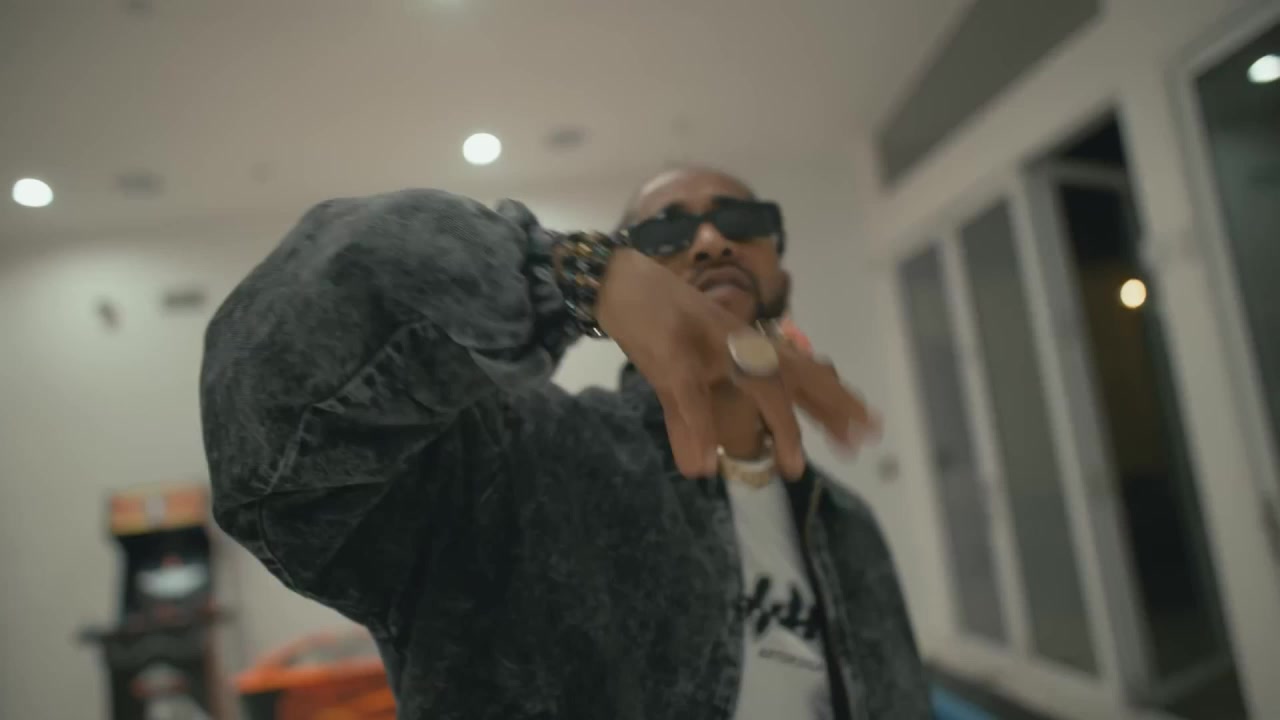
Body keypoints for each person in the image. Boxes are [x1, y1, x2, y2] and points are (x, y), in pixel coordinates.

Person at [200, 166, 929, 720]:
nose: (711, 240)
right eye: (666, 232)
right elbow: (269, 417)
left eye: (740, 219)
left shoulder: (849, 527)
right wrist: (569, 272)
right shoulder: (511, 457)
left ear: (781, 268)